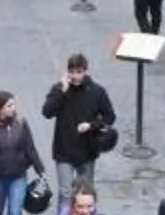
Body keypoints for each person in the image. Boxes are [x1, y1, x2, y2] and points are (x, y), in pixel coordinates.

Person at [40, 54, 120, 198]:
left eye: (79, 72)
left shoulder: (97, 92)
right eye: (72, 72)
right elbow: (47, 112)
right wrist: (61, 91)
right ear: (67, 72)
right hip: (64, 150)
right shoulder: (59, 89)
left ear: (86, 72)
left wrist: (91, 125)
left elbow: (110, 117)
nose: (75, 76)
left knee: (85, 194)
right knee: (65, 193)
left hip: (87, 151)